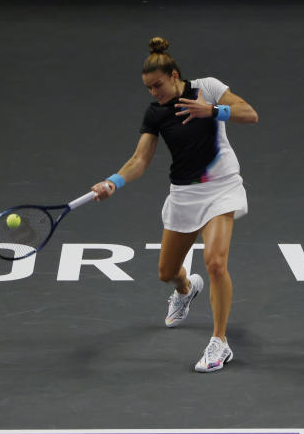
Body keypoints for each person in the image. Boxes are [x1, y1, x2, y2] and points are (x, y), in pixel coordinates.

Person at [90, 37, 259, 372]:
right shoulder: (155, 114)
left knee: (215, 263)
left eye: (158, 85)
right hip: (184, 196)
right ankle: (186, 288)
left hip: (221, 188)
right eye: (149, 88)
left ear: (174, 75)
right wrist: (113, 182)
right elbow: (140, 159)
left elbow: (249, 114)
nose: (154, 93)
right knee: (166, 272)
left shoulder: (207, 89)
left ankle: (219, 343)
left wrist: (212, 110)